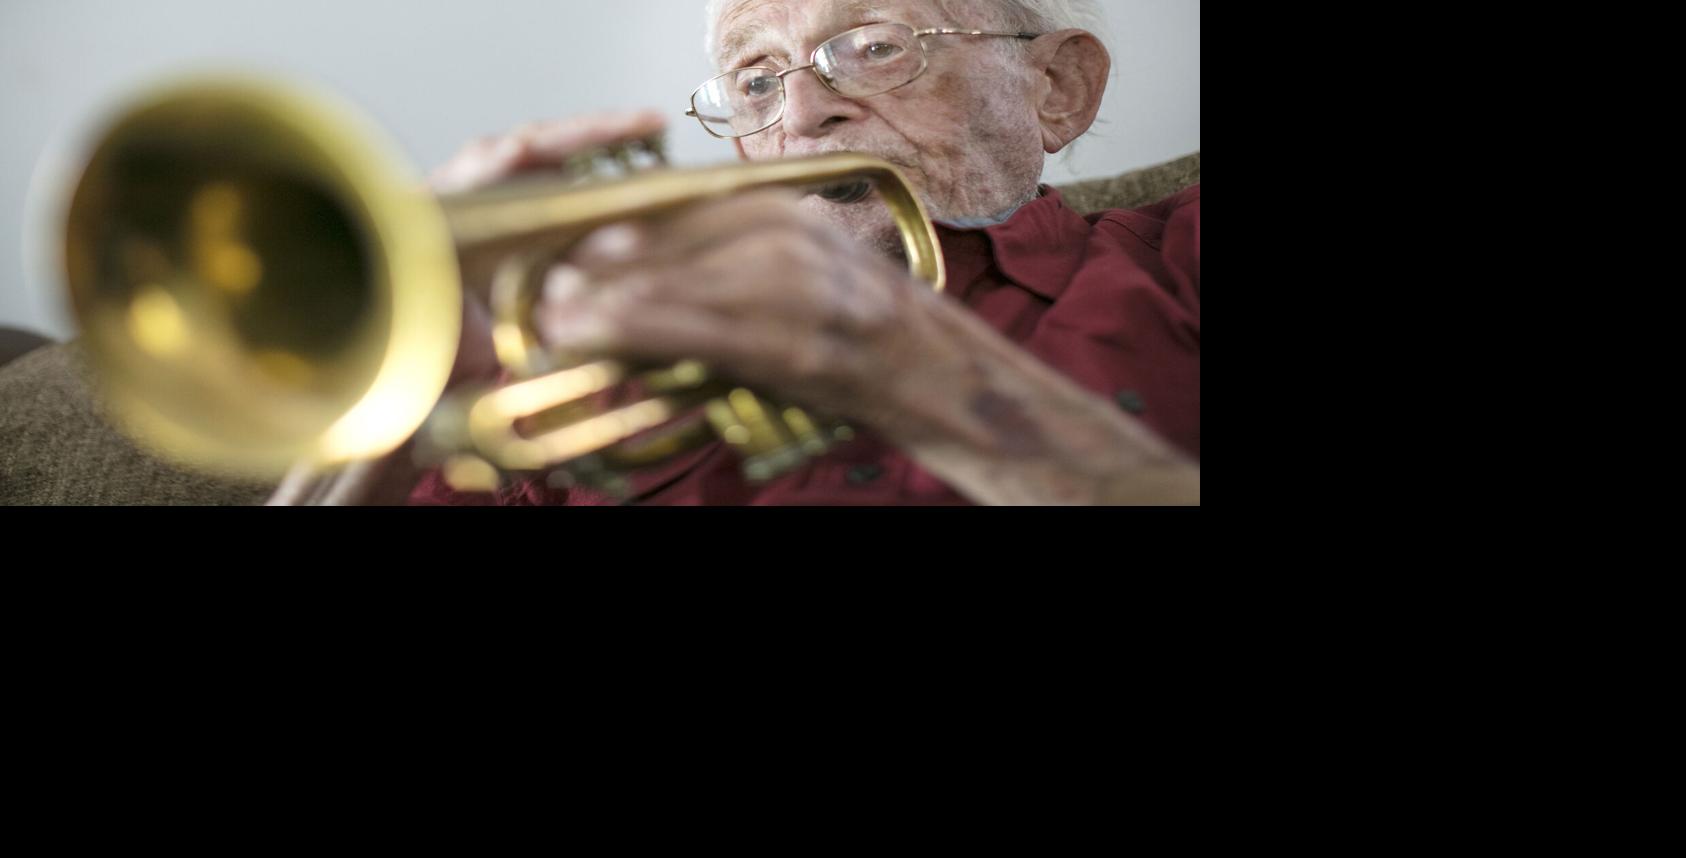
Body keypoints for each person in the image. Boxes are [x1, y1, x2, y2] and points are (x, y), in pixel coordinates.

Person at [272, 0, 1199, 506]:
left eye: (873, 46)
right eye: (755, 80)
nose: (799, 113)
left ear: (1056, 86)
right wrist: (398, 401)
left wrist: (905, 365)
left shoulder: (1179, 254)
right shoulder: (571, 383)